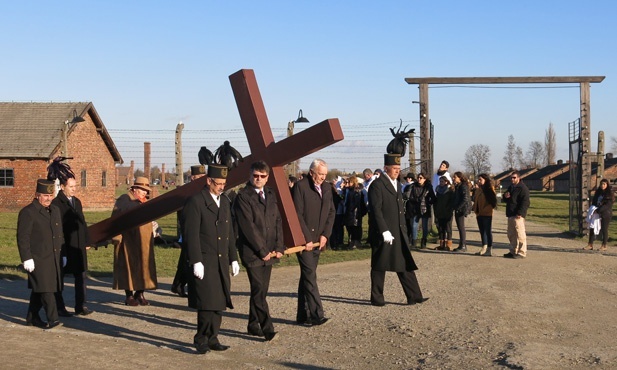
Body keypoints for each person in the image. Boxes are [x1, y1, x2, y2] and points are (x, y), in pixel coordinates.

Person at [184, 164, 240, 354]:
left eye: (224, 183)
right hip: (205, 260)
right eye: (218, 183)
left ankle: (213, 337)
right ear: (208, 181)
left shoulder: (224, 201)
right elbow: (191, 234)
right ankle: (201, 339)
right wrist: (196, 260)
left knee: (220, 302)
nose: (221, 187)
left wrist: (234, 258)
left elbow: (229, 233)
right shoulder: (196, 202)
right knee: (207, 303)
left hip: (221, 260)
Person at [234, 160, 284, 342]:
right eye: (255, 175)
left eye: (262, 176)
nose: (259, 179)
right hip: (252, 252)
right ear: (250, 175)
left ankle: (252, 324)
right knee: (258, 290)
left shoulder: (270, 194)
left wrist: (279, 246)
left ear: (267, 177)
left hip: (270, 251)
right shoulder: (243, 197)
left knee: (262, 290)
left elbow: (277, 221)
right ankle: (267, 328)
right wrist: (262, 250)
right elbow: (248, 227)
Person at [368, 154, 427, 306]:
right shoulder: (377, 185)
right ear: (385, 168)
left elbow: (400, 209)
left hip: (398, 230)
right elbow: (376, 210)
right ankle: (377, 298)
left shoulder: (397, 184)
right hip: (384, 232)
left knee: (404, 262)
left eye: (399, 169)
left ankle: (414, 295)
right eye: (394, 168)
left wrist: (403, 228)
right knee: (379, 265)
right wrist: (384, 230)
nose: (397, 171)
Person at [292, 158, 335, 326]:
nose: (323, 177)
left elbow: (331, 212)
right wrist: (306, 239)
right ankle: (317, 314)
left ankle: (302, 315)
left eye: (325, 174)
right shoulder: (301, 187)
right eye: (320, 174)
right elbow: (297, 214)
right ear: (311, 173)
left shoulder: (326, 188)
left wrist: (326, 234)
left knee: (306, 276)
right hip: (305, 242)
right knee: (310, 275)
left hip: (319, 240)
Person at [17, 179, 64, 329]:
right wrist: (26, 258)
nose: (48, 199)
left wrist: (63, 253)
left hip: (53, 257)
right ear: (37, 195)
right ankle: (53, 319)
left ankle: (32, 317)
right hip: (37, 258)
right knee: (46, 289)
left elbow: (58, 234)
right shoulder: (28, 212)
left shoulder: (55, 210)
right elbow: (23, 237)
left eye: (50, 195)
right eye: (45, 195)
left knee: (40, 288)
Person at [111, 177, 157, 306]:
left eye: (146, 190)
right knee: (128, 266)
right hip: (128, 240)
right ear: (134, 189)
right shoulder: (124, 200)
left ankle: (140, 293)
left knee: (144, 266)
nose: (144, 192)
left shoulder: (144, 201)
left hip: (144, 240)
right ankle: (129, 295)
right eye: (142, 190)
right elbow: (116, 219)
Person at [52, 177, 93, 316]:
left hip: (79, 245)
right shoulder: (57, 204)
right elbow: (57, 228)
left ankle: (80, 305)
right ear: (63, 187)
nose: (74, 189)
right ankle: (59, 307)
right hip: (65, 246)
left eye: (75, 186)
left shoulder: (77, 202)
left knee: (81, 276)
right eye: (71, 186)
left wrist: (87, 241)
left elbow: (83, 222)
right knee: (59, 277)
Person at [171, 165, 206, 298]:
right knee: (189, 258)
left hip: (201, 230)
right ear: (193, 178)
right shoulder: (188, 192)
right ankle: (181, 285)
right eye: (199, 177)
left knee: (186, 259)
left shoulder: (202, 190)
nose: (202, 180)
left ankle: (178, 284)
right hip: (189, 230)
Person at [502, 171, 530, 259]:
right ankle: (513, 250)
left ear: (518, 178)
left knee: (520, 234)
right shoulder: (511, 187)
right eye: (511, 178)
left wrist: (520, 213)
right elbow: (506, 198)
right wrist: (505, 196)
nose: (512, 179)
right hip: (510, 213)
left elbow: (525, 202)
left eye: (514, 177)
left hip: (518, 215)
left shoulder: (523, 188)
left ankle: (522, 252)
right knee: (511, 234)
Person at [406, 173, 436, 249]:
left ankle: (424, 241)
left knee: (424, 226)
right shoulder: (413, 186)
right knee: (414, 225)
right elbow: (408, 196)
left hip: (424, 208)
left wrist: (428, 203)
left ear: (425, 179)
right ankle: (414, 242)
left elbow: (433, 198)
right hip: (415, 208)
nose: (419, 179)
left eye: (421, 178)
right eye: (418, 177)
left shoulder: (428, 187)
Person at [583, 179, 614, 251]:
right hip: (595, 213)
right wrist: (592, 209)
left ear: (607, 185)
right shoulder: (598, 193)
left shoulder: (609, 194)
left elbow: (608, 205)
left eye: (604, 184)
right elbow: (594, 202)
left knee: (604, 229)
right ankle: (590, 244)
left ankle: (604, 245)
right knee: (592, 227)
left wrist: (598, 210)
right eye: (601, 184)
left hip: (605, 214)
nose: (602, 186)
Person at [473, 174, 497, 256]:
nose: (479, 181)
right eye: (478, 180)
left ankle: (489, 249)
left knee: (487, 231)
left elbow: (493, 202)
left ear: (485, 180)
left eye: (480, 179)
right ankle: (484, 247)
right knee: (482, 231)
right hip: (479, 213)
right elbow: (476, 200)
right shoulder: (479, 190)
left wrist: (486, 209)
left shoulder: (489, 189)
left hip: (487, 214)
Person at [343, 176, 367, 249]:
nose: (348, 183)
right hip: (350, 212)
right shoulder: (349, 190)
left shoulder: (357, 190)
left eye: (349, 182)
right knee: (350, 227)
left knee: (355, 228)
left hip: (355, 212)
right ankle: (352, 242)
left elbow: (356, 203)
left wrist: (352, 210)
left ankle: (356, 242)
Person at [452, 171, 472, 252]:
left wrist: (458, 208)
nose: (453, 178)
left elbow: (465, 199)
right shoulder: (458, 186)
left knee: (461, 227)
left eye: (455, 177)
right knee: (460, 227)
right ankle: (461, 244)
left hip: (461, 209)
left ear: (459, 178)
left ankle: (463, 245)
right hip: (458, 208)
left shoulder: (463, 186)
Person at [434, 175, 455, 251]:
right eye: (440, 181)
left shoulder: (450, 190)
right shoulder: (438, 190)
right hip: (440, 211)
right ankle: (442, 245)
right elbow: (436, 201)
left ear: (446, 182)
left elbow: (452, 201)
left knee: (448, 228)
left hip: (447, 211)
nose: (441, 183)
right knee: (441, 228)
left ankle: (449, 245)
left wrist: (450, 209)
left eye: (442, 181)